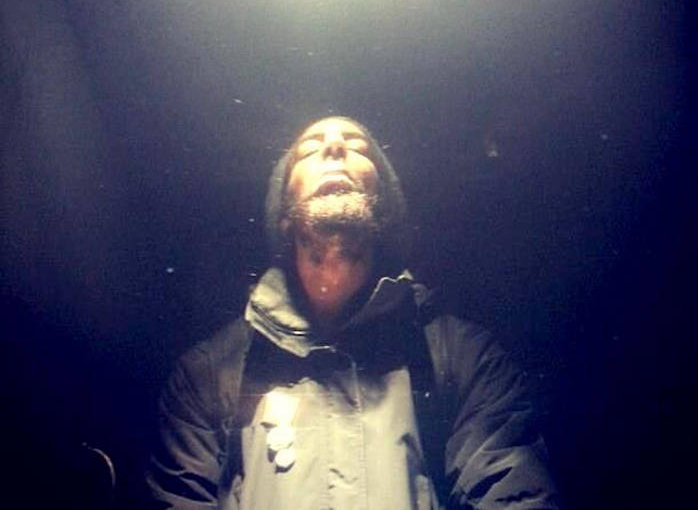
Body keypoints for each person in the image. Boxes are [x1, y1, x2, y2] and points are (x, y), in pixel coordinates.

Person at [147, 116, 559, 509]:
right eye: (309, 148)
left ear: (384, 206)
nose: (334, 146)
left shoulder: (462, 357)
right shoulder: (208, 375)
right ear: (284, 214)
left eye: (358, 146)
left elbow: (514, 495)